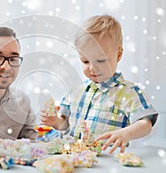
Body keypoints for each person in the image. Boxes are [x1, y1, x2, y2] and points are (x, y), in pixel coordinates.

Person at [40, 15, 158, 154]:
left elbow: (145, 124)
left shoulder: (128, 92)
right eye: (85, 61)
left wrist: (126, 133)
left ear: (118, 55)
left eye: (100, 61)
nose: (92, 68)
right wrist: (55, 122)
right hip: (72, 158)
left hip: (106, 161)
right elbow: (65, 124)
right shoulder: (75, 91)